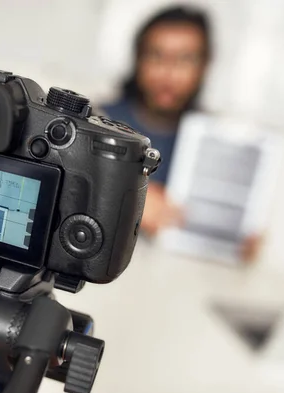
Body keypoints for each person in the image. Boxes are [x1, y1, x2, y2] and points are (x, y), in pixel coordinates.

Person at [100, 5, 262, 262]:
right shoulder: (97, 122)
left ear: (204, 67)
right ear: (138, 59)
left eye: (185, 59)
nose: (169, 73)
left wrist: (234, 243)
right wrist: (129, 202)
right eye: (157, 55)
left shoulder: (216, 143)